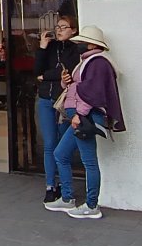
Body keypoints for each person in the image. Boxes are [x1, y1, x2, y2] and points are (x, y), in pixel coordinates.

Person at [45, 25, 125, 220]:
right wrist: (66, 82)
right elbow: (80, 88)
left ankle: (91, 204)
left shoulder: (97, 63)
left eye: (81, 42)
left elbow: (92, 93)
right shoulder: (89, 62)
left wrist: (78, 115)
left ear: (90, 44)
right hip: (81, 116)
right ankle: (68, 198)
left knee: (88, 160)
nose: (78, 45)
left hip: (84, 117)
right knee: (61, 154)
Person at [34, 15, 81, 203]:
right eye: (57, 27)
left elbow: (68, 72)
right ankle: (50, 185)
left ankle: (64, 184)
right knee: (50, 143)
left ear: (74, 30)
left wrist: (45, 77)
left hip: (64, 101)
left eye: (64, 27)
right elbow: (36, 70)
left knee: (62, 145)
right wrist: (42, 47)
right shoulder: (50, 47)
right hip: (46, 99)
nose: (59, 30)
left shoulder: (75, 49)